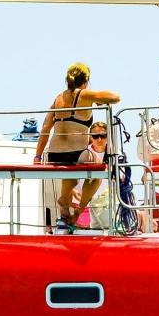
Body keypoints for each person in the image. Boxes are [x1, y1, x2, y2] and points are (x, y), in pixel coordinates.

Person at [33, 62, 120, 233]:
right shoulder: (85, 94)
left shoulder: (58, 98)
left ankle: (64, 200)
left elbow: (45, 128)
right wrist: (96, 99)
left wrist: (37, 156)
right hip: (77, 153)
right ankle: (78, 211)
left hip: (54, 154)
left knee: (70, 174)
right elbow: (115, 97)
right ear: (86, 80)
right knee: (99, 173)